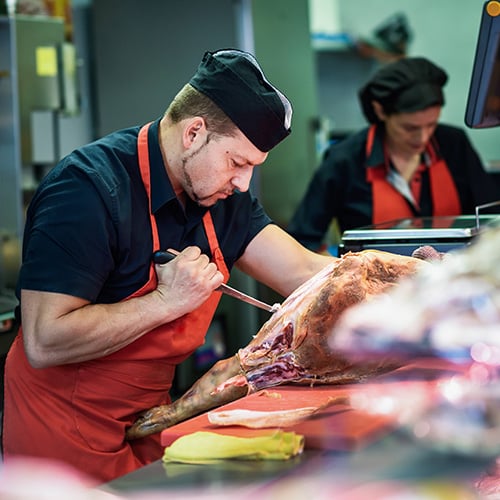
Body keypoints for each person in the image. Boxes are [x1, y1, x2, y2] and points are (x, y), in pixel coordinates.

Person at [2, 49, 333, 482]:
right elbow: (45, 341)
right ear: (194, 133)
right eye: (237, 162)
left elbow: (307, 273)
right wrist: (165, 301)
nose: (243, 183)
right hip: (59, 438)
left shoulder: (223, 198)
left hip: (150, 423)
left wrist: (415, 280)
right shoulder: (86, 190)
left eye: (252, 167)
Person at [287, 56, 500, 252]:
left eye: (431, 125)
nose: (423, 138)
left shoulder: (454, 144)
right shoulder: (345, 160)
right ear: (380, 111)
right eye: (410, 128)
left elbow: (492, 221)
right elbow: (303, 240)